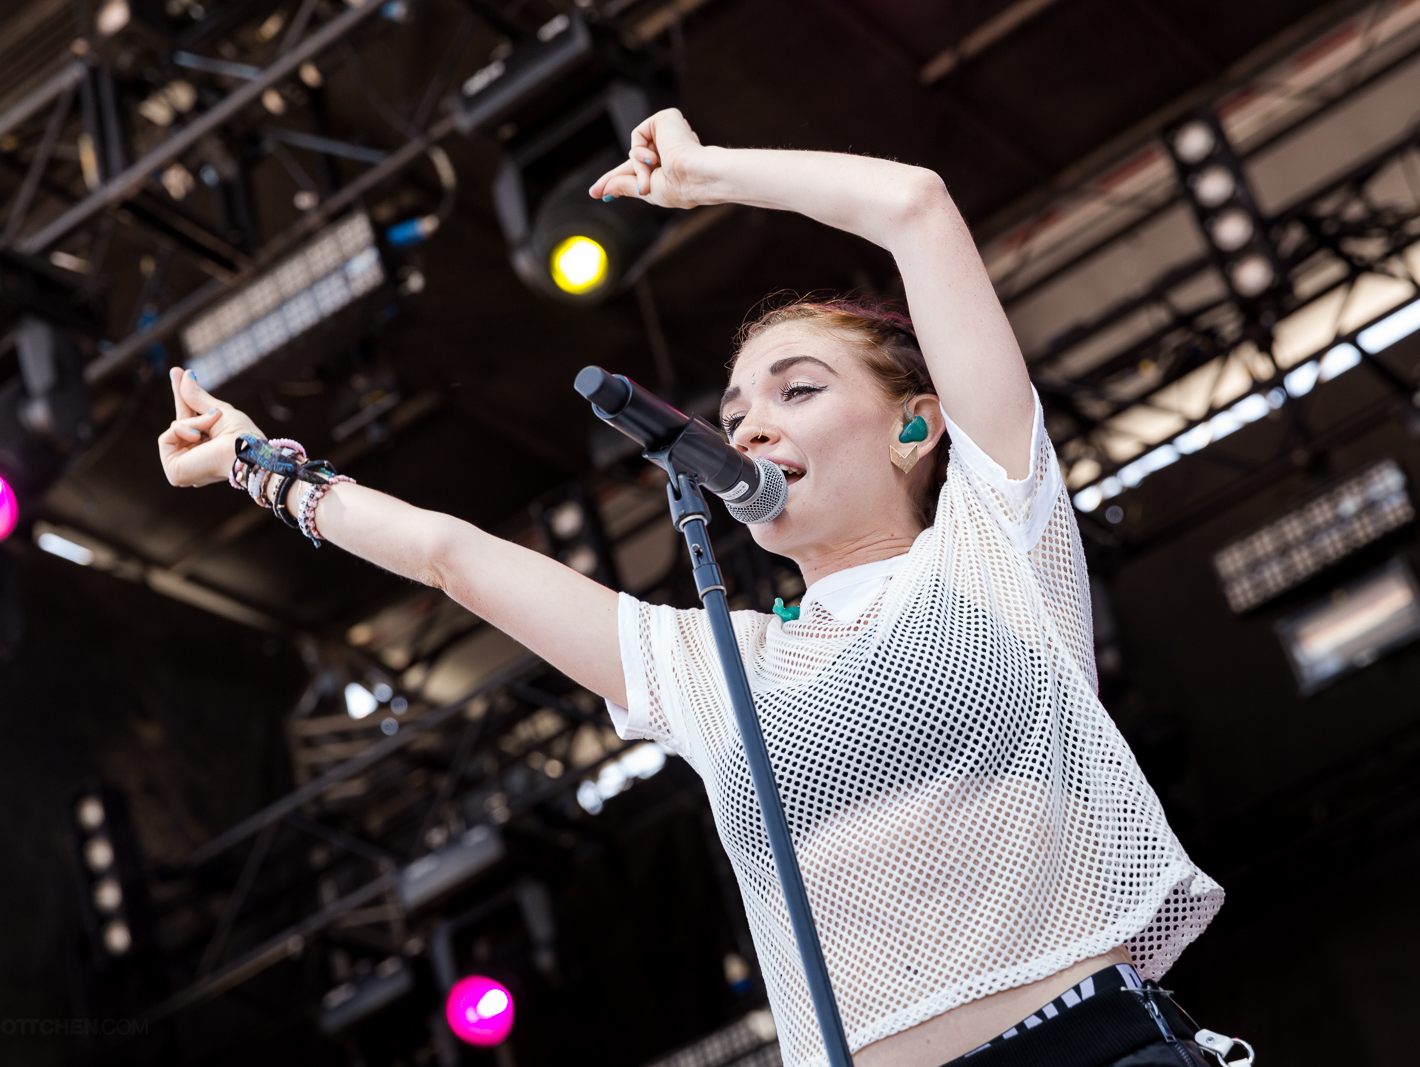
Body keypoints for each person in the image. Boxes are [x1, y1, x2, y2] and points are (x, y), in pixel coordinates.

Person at [159, 109, 1235, 1067]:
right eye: (734, 411)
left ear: (915, 424)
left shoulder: (993, 547)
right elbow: (452, 555)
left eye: (797, 389)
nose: (751, 423)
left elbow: (915, 206)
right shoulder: (717, 665)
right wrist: (260, 465)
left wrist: (708, 175)